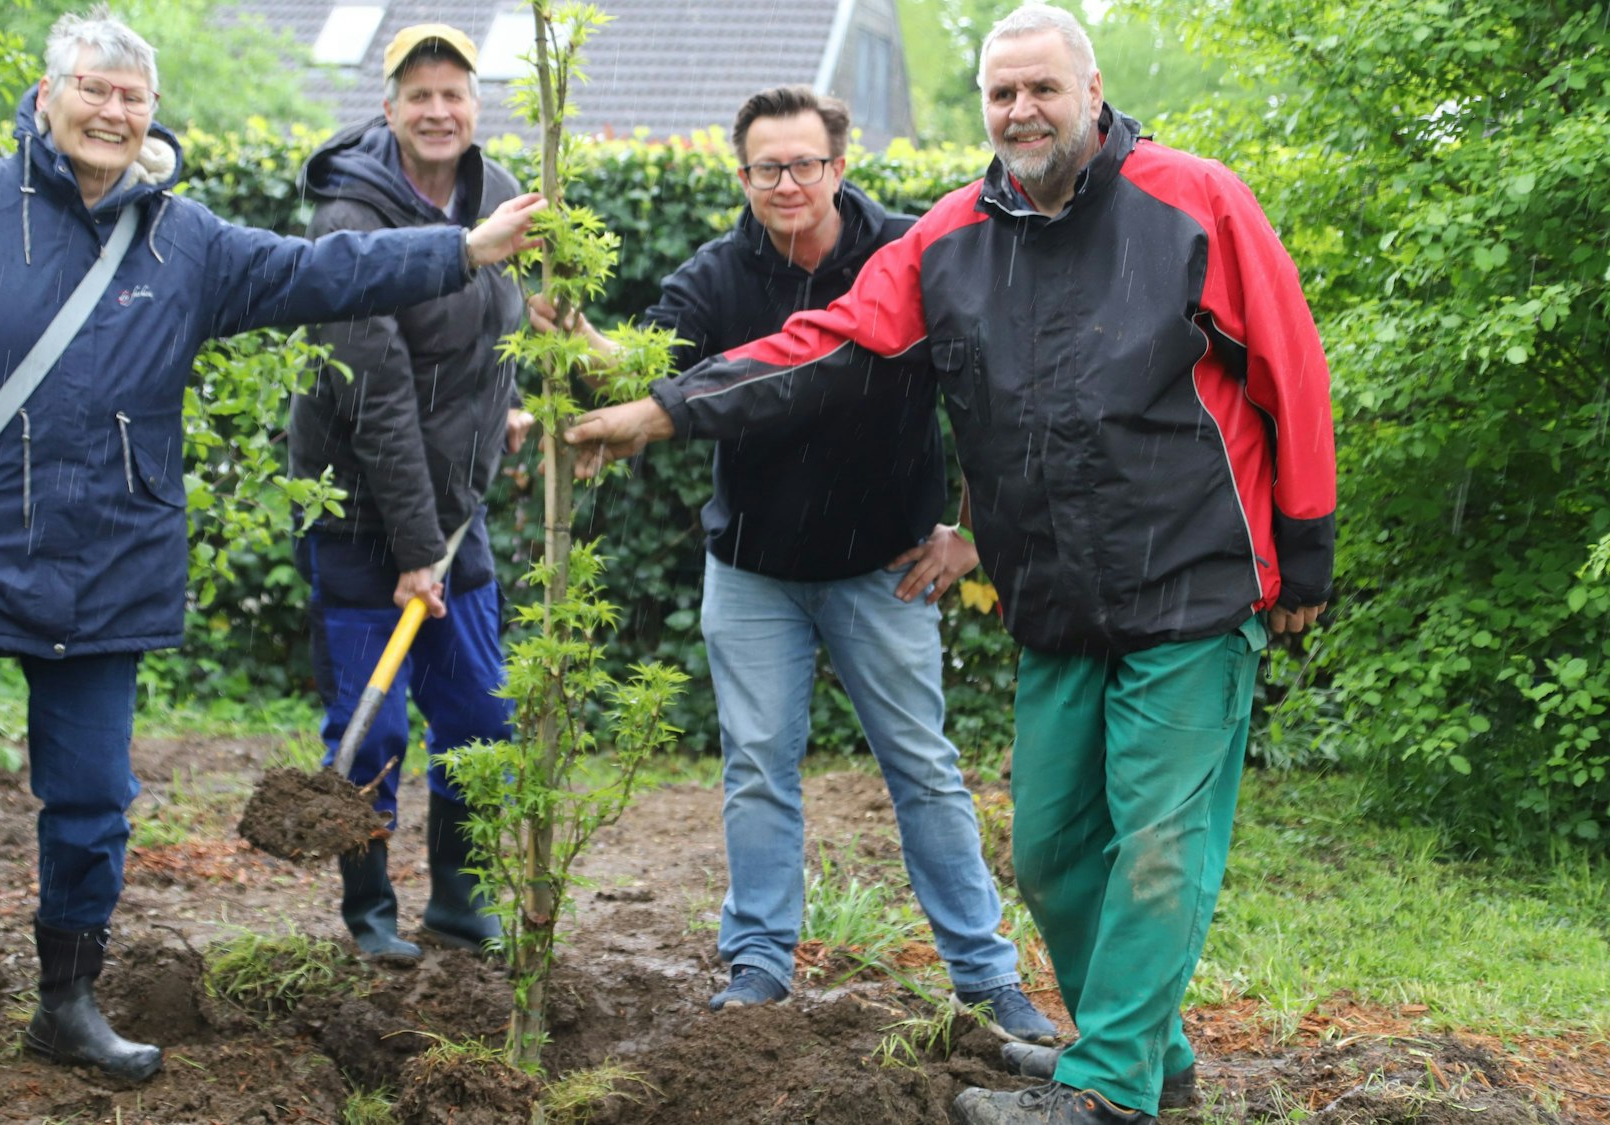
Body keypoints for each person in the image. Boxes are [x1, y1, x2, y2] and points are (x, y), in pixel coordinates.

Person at [0, 8, 542, 1114]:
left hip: (107, 572)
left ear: (151, 113)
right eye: (93, 89)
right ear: (47, 96)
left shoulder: (185, 243)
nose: (113, 111)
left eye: (133, 97)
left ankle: (69, 1004)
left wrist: (460, 249)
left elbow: (321, 269)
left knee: (92, 803)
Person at [563, 6, 1335, 1122]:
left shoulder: (1194, 201)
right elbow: (824, 343)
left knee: (1156, 848)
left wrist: (1302, 552)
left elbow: (1290, 372)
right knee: (1052, 856)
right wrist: (665, 409)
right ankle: (1144, 1056)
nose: (1019, 111)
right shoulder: (945, 241)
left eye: (1040, 88)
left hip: (1192, 583)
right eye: (999, 93)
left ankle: (1108, 1091)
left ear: (1091, 88)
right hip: (1056, 597)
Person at [528, 86, 1055, 1041]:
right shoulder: (717, 275)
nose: (786, 182)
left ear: (839, 166)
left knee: (924, 770)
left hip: (881, 569)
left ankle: (985, 978)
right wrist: (582, 345)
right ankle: (760, 961)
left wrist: (971, 530)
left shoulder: (908, 254)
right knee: (758, 767)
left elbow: (984, 398)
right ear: (743, 175)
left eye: (804, 163)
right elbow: (660, 375)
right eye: (766, 166)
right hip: (755, 572)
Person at [287, 24, 534, 965]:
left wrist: (505, 407)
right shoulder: (349, 225)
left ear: (475, 106)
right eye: (418, 95)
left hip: (453, 510)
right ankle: (372, 914)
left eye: (454, 93)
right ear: (388, 110)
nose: (438, 111)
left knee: (477, 712)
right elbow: (376, 398)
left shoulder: (501, 196)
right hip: (358, 514)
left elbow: (494, 331)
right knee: (376, 724)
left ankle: (462, 905)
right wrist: (411, 551)